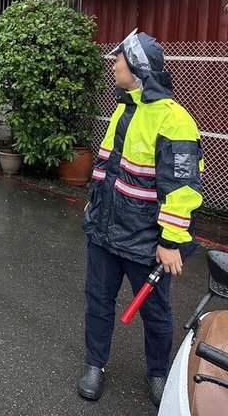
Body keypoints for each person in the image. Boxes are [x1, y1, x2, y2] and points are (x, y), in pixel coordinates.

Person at [78, 30, 204, 408]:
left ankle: (157, 373)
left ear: (137, 67)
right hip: (103, 230)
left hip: (145, 240)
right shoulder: (123, 109)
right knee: (97, 301)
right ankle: (94, 365)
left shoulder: (174, 120)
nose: (112, 64)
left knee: (156, 312)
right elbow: (108, 165)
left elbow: (182, 187)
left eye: (118, 59)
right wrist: (93, 202)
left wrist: (169, 241)